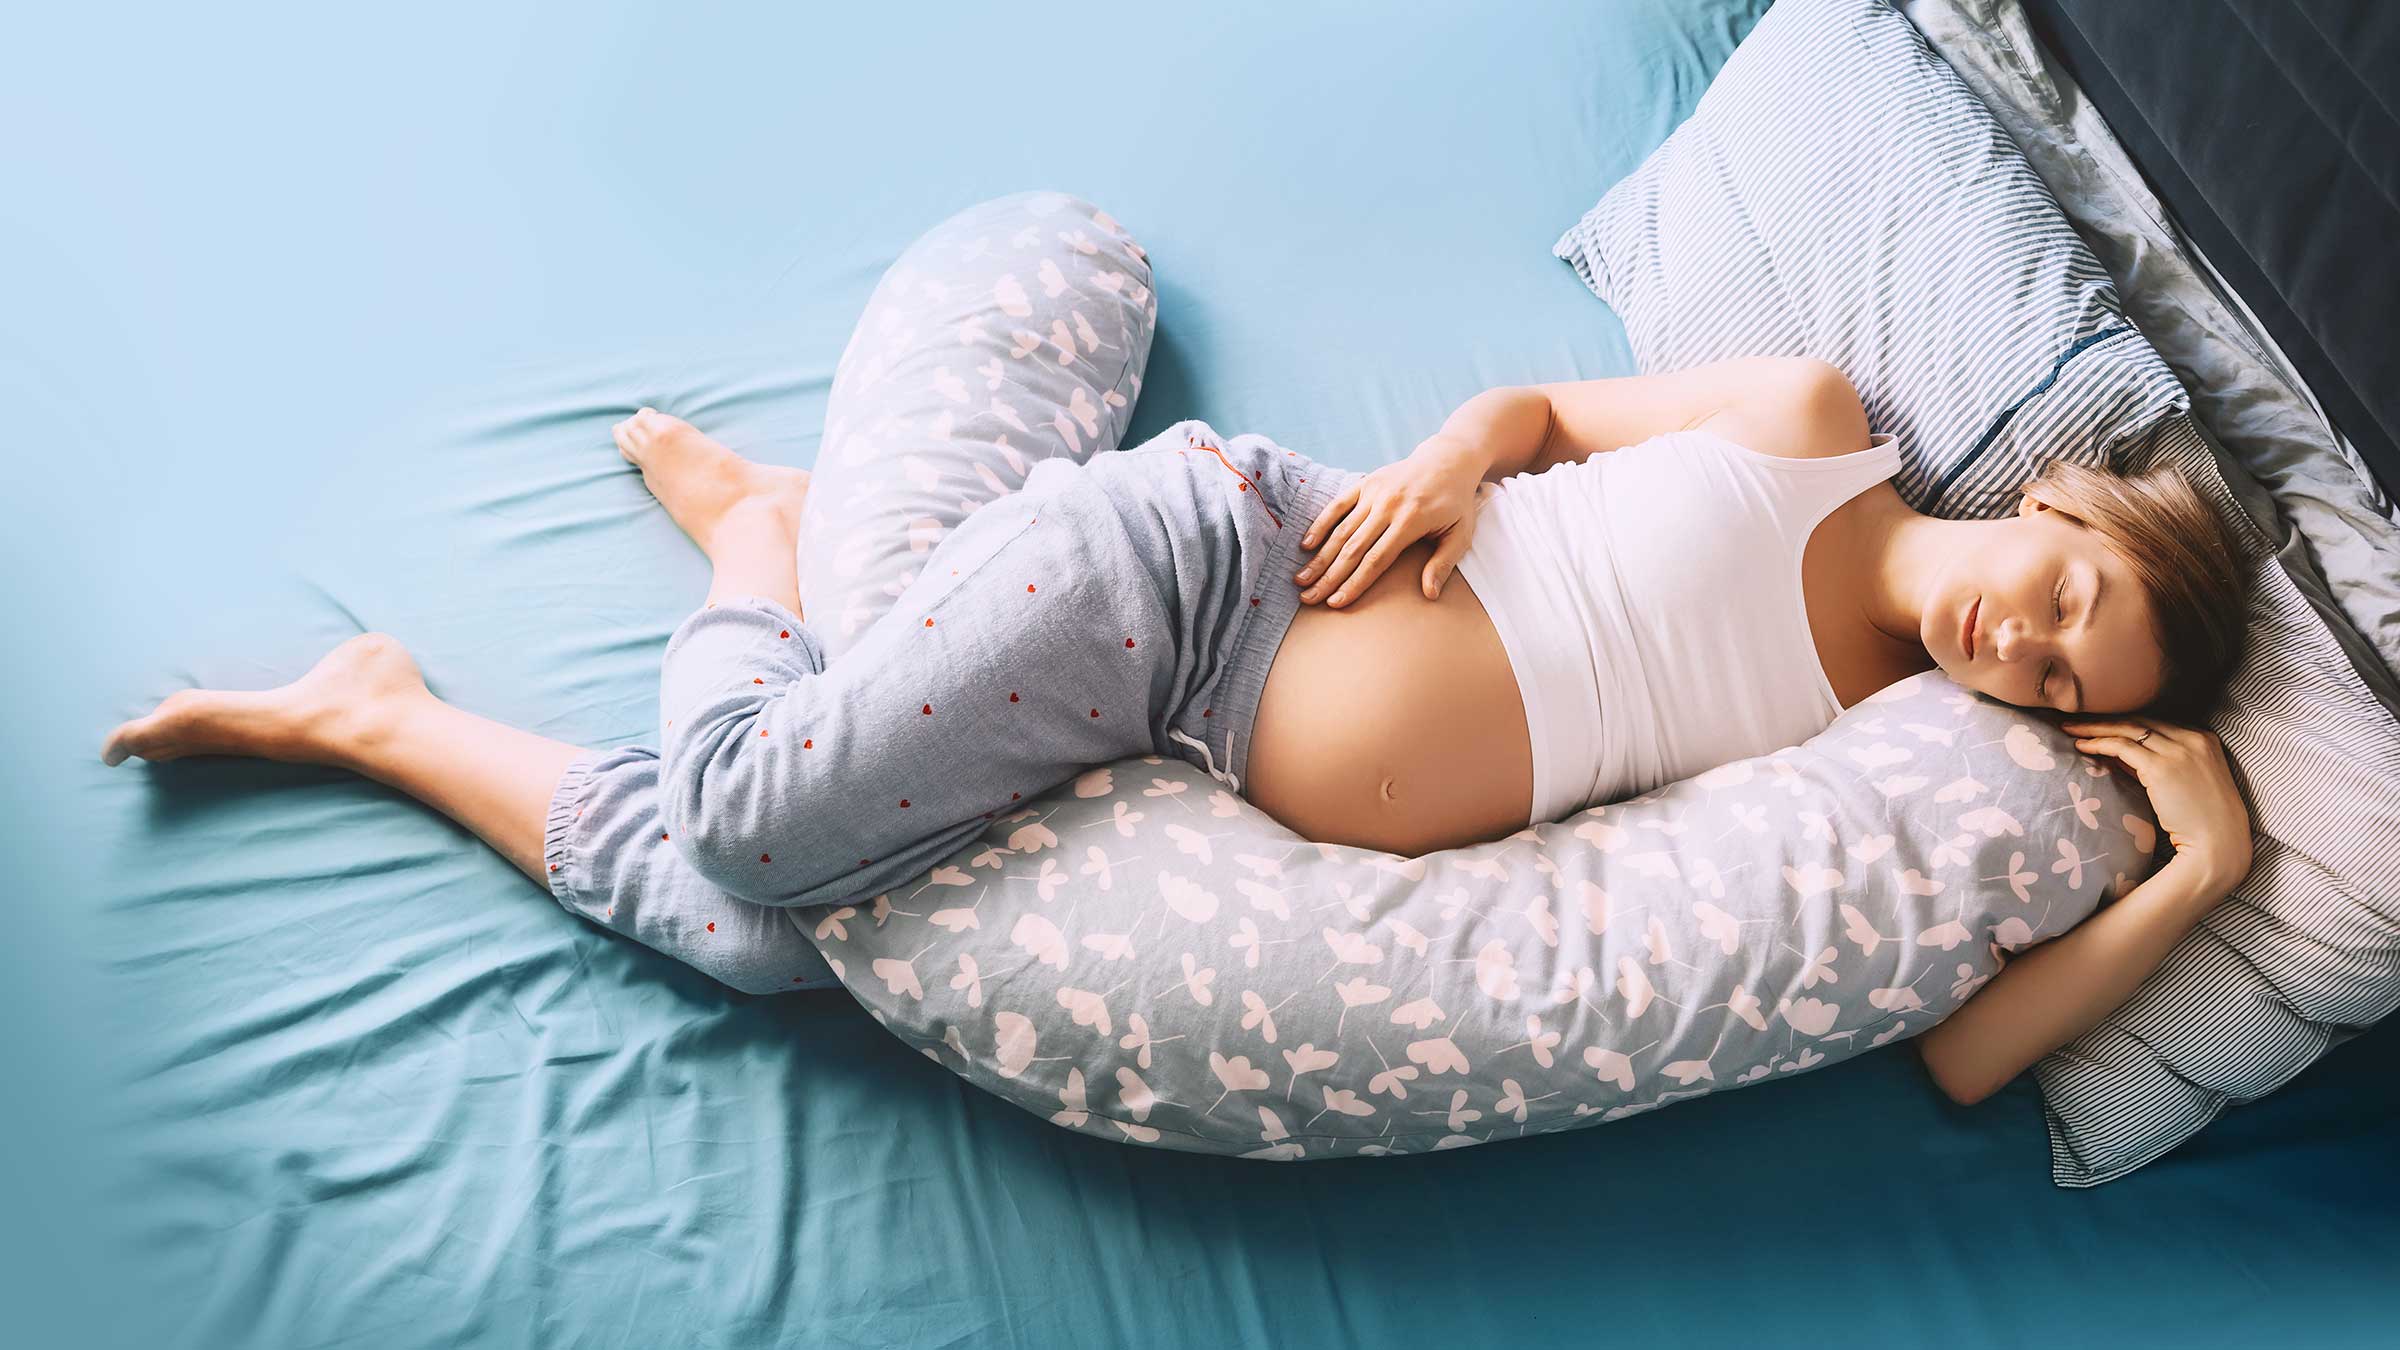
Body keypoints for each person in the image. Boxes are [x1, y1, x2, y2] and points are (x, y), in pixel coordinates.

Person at [97, 195, 2255, 1028]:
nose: (2026, 648)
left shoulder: (1895, 754)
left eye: (2072, 680)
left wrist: (2206, 869)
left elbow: (1973, 1059)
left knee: (775, 953)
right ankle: (765, 550)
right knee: (757, 826)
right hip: (1192, 579)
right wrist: (1458, 457)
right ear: (2053, 494)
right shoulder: (1811, 420)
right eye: (2060, 588)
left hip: (1190, 788)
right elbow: (1537, 407)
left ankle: (374, 716)